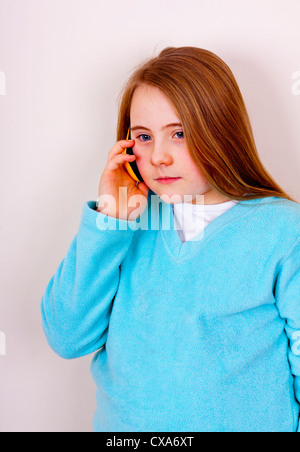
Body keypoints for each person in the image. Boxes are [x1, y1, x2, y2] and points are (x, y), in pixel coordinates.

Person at [41, 46, 300, 432]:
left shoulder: (282, 231)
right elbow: (67, 336)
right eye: (143, 137)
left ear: (221, 131)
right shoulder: (123, 224)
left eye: (178, 133)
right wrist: (109, 220)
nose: (159, 156)